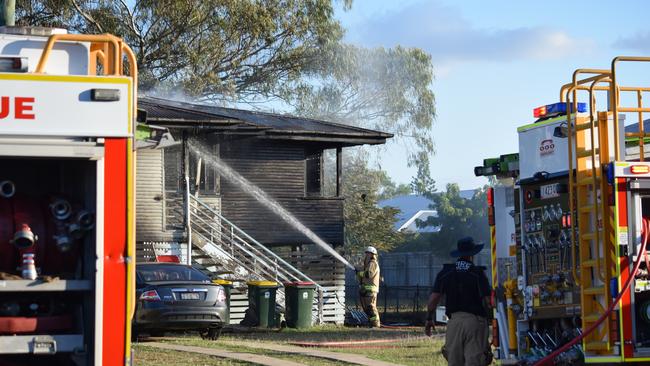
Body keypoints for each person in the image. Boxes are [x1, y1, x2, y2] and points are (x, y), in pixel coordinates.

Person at [425, 237, 492, 366]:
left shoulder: (445, 273)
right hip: (475, 321)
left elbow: (433, 299)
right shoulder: (477, 273)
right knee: (475, 360)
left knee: (454, 361)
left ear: (459, 254)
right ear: (472, 254)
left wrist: (429, 318)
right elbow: (488, 301)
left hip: (454, 322)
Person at [356, 246, 380, 328]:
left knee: (371, 308)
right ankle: (372, 323)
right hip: (365, 290)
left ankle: (375, 324)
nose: (366, 255)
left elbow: (368, 274)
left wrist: (360, 273)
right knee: (367, 309)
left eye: (368, 253)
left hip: (371, 290)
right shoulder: (368, 264)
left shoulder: (372, 263)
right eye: (366, 253)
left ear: (372, 254)